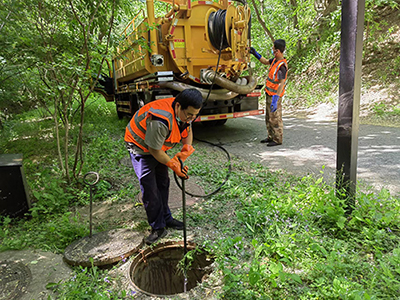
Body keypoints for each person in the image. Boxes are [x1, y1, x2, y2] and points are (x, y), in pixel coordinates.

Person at [124, 89, 203, 245]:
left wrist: (184, 153)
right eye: (189, 115)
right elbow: (153, 150)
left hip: (158, 148)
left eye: (195, 115)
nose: (191, 119)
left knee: (163, 183)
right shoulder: (160, 120)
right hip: (140, 147)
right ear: (178, 106)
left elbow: (187, 130)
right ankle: (157, 226)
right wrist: (173, 165)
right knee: (150, 188)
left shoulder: (185, 114)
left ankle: (166, 218)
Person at [250, 39, 288, 146]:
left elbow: (281, 83)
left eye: (274, 50)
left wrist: (275, 100)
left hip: (275, 95)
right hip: (269, 93)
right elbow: (266, 61)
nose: (272, 51)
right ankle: (270, 136)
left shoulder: (281, 66)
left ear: (279, 51)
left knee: (275, 118)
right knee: (269, 117)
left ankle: (277, 139)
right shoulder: (275, 61)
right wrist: (255, 54)